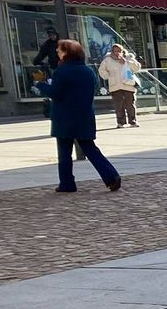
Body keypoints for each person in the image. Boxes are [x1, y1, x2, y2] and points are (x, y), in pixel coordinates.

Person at [34, 39, 121, 194]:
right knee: (90, 148)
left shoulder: (62, 71)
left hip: (64, 117)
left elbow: (55, 92)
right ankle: (111, 176)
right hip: (84, 115)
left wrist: (40, 83)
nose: (57, 52)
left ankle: (67, 183)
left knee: (64, 152)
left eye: (60, 50)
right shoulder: (88, 71)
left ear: (67, 53)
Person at [97, 43, 140, 129]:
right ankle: (121, 122)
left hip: (128, 85)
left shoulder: (128, 58)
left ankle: (133, 121)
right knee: (118, 105)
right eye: (115, 51)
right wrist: (108, 76)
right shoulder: (108, 60)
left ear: (122, 51)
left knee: (130, 104)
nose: (117, 53)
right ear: (112, 51)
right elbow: (101, 70)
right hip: (115, 85)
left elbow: (137, 68)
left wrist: (127, 62)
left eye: (119, 51)